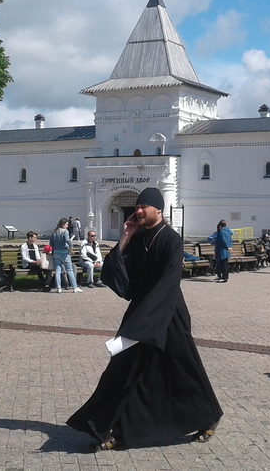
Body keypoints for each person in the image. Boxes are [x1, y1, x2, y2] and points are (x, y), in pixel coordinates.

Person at [67, 187, 222, 451]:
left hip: (168, 314)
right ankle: (113, 427)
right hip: (143, 311)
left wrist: (146, 320)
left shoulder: (171, 240)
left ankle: (209, 414)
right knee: (124, 369)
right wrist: (125, 237)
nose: (138, 211)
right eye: (137, 207)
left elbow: (169, 282)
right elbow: (121, 275)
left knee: (184, 370)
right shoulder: (139, 238)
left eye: (143, 207)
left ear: (158, 210)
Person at [50, 218, 82, 293]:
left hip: (56, 252)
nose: (67, 226)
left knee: (58, 270)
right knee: (70, 270)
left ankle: (58, 287)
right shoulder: (65, 231)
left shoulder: (54, 232)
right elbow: (67, 240)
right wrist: (71, 247)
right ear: (63, 224)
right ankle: (74, 287)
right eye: (67, 224)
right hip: (64, 252)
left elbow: (51, 243)